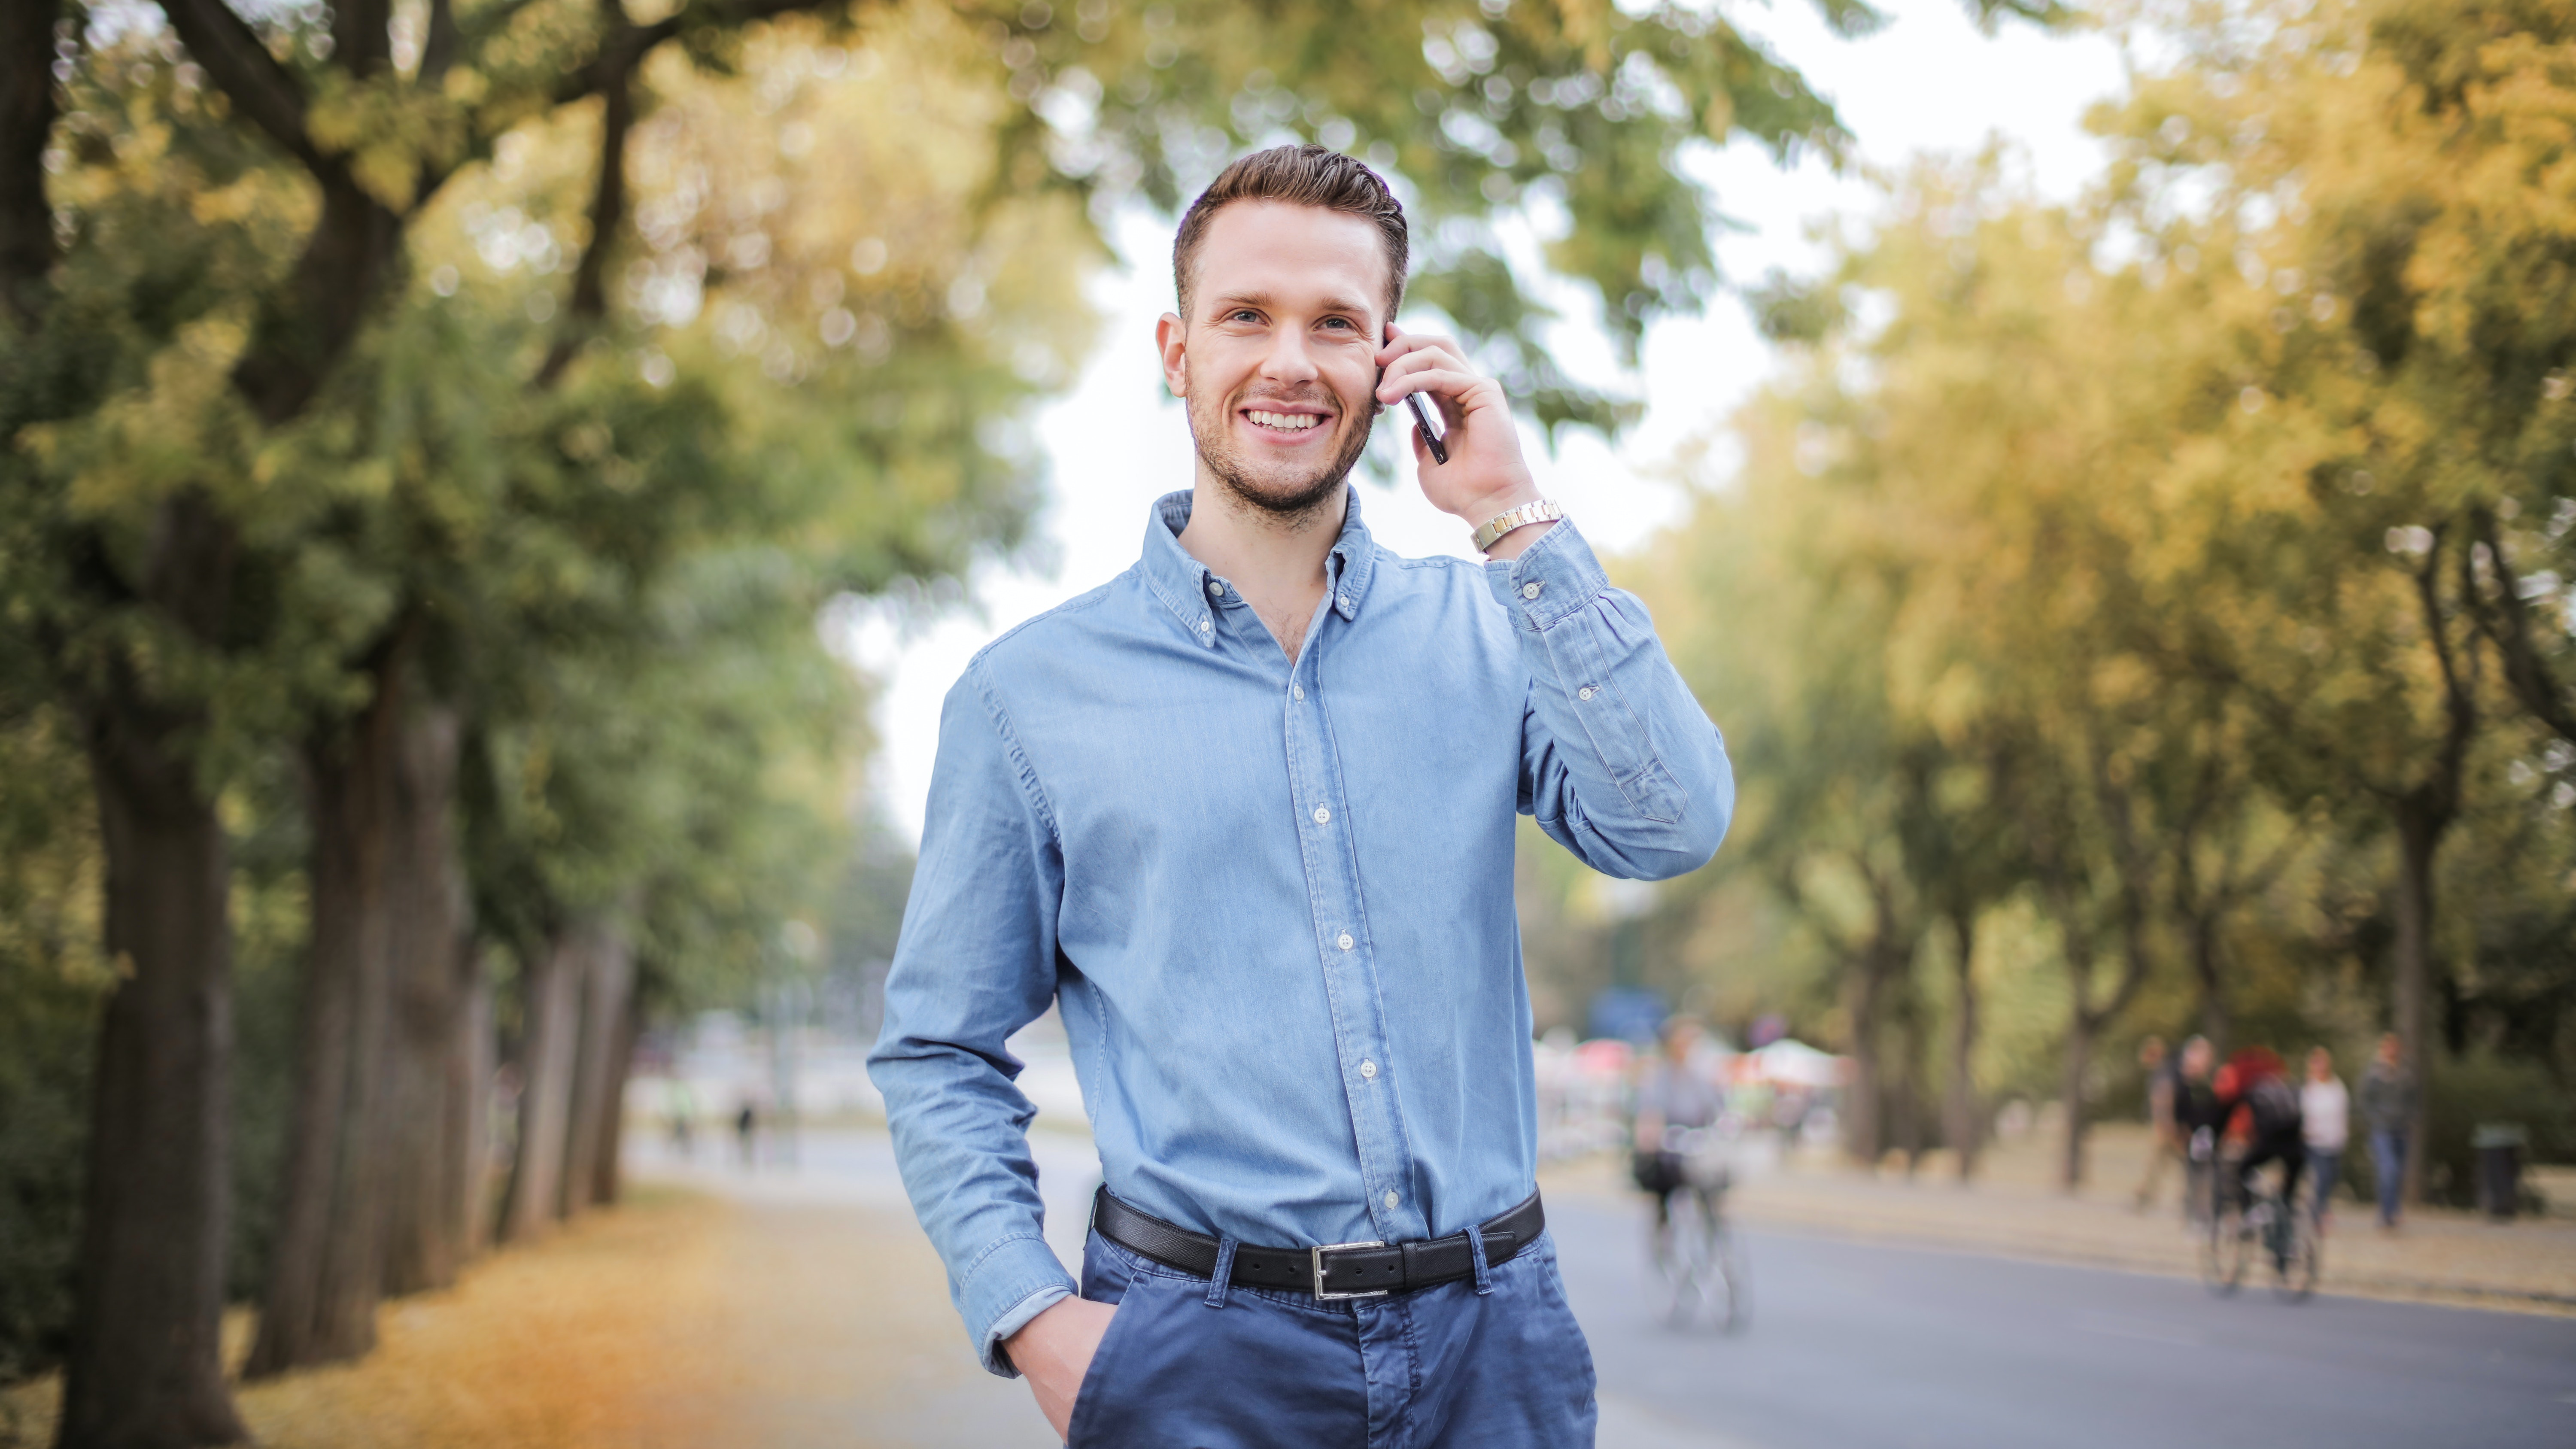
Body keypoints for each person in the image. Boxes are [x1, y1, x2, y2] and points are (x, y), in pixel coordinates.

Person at [867, 145, 1733, 1448]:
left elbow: (1670, 822)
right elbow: (938, 1047)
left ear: (1388, 361)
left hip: (1494, 1353)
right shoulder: (1025, 698)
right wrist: (1029, 1317)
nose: (1289, 362)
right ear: (1176, 351)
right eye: (1246, 318)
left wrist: (1510, 513)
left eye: (1335, 323)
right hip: (1196, 1363)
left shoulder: (1490, 631)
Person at [1632, 1017, 1726, 1233]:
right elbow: (1650, 1109)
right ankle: (1664, 1226)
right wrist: (1650, 1134)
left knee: (1709, 1182)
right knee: (1668, 1181)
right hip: (1671, 1140)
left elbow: (1715, 1105)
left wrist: (1723, 1125)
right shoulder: (1659, 1075)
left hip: (1696, 1138)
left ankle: (1713, 1227)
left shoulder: (1700, 1074)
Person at [2211, 1046, 2305, 1218]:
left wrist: (2217, 1138)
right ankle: (2287, 1217)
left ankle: (2251, 1213)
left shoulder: (2253, 1088)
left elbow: (2228, 1113)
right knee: (2288, 1186)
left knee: (2242, 1170)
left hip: (2269, 1143)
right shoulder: (2287, 1086)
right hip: (2296, 1148)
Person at [2359, 1032, 2417, 1230]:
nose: (2392, 1050)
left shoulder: (2406, 1071)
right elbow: (2365, 1100)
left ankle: (2393, 1210)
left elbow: (2414, 1098)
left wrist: (2410, 1118)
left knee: (2398, 1172)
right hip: (2382, 1129)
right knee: (2388, 1170)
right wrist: (2375, 1119)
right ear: (2383, 1049)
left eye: (2395, 1047)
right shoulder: (2373, 1073)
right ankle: (2386, 1213)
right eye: (2388, 1047)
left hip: (2402, 1129)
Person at [2171, 1036, 2221, 1224]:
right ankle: (2190, 1215)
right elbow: (2179, 1111)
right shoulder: (2184, 1083)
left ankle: (2205, 1215)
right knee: (2191, 1177)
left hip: (2210, 1136)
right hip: (2190, 1135)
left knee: (2209, 1178)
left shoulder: (2214, 1081)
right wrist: (2181, 1132)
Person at [2131, 1036, 2182, 1213]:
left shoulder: (2164, 1072)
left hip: (2165, 1126)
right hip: (2166, 1125)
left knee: (2160, 1162)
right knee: (2163, 1163)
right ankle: (2145, 1195)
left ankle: (2145, 1195)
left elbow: (2164, 1099)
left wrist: (2166, 1124)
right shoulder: (2166, 1070)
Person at [2301, 1046, 2348, 1228]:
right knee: (2321, 1177)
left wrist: (2342, 1135)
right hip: (2315, 1141)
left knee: (2331, 1178)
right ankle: (2318, 1213)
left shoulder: (2337, 1087)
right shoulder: (2308, 1089)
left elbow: (2342, 1113)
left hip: (2334, 1140)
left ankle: (2322, 1207)